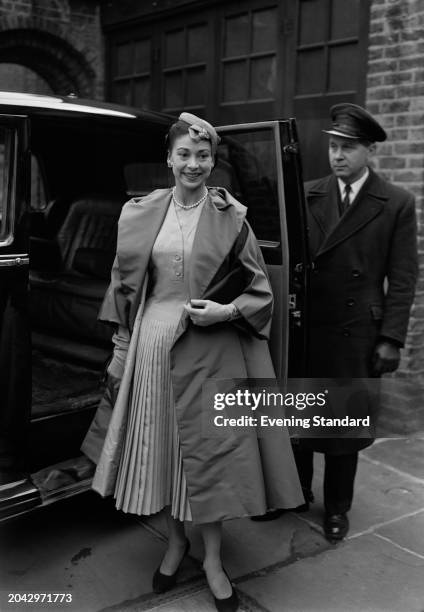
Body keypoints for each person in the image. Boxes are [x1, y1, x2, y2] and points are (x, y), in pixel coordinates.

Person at [81, 112, 303, 611]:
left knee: (210, 459)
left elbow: (260, 291)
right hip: (153, 346)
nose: (193, 164)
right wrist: (121, 350)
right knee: (164, 453)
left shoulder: (231, 217)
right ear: (168, 159)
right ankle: (177, 541)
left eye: (202, 156)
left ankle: (212, 559)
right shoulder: (140, 213)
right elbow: (124, 286)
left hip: (210, 350)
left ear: (213, 162)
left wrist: (225, 310)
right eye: (184, 154)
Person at [293, 103, 418, 542]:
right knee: (299, 417)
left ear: (369, 151)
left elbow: (403, 277)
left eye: (348, 147)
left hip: (356, 332)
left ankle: (337, 507)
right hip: (308, 326)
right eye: (333, 146)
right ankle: (296, 493)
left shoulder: (396, 202)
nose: (338, 155)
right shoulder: (306, 192)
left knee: (343, 426)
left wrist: (391, 338)